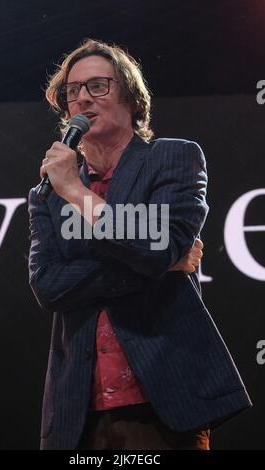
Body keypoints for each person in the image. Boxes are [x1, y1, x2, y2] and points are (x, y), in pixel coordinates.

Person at [28, 39, 251, 450]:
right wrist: (156, 264)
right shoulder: (45, 193)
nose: (81, 98)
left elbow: (154, 246)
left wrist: (77, 193)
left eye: (97, 85)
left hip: (161, 405)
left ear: (130, 95)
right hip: (77, 414)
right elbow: (48, 286)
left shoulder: (173, 159)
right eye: (72, 91)